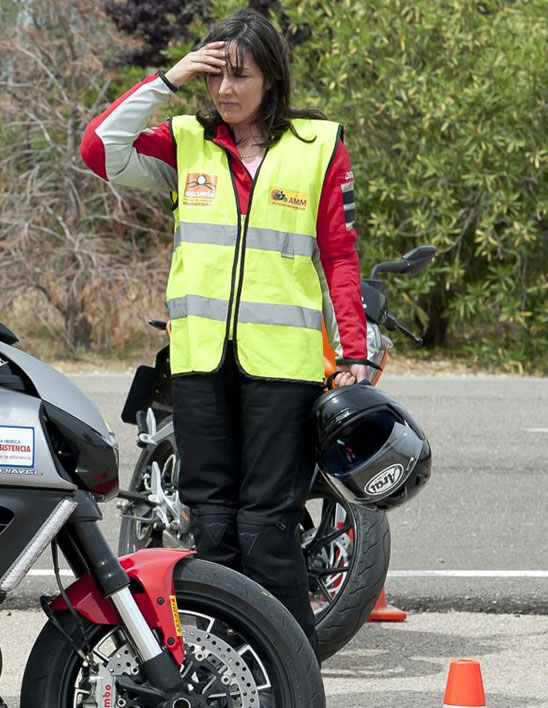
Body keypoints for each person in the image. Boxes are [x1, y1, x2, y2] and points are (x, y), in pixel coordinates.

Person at [80, 10, 369, 652]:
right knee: (209, 524)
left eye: (241, 75)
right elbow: (99, 148)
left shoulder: (319, 148)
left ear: (272, 77)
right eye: (216, 76)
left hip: (284, 368)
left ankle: (291, 669)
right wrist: (170, 77)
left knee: (267, 527)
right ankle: (215, 663)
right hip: (200, 362)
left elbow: (340, 256)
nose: (226, 90)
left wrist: (354, 353)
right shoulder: (186, 141)